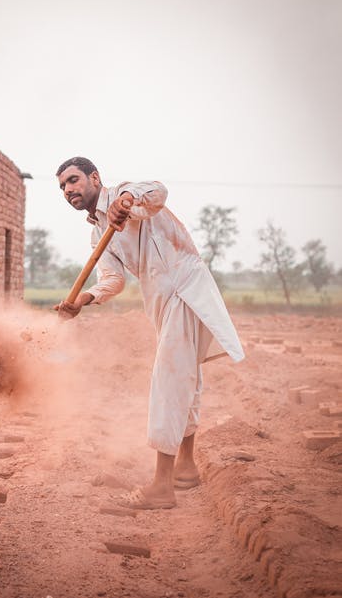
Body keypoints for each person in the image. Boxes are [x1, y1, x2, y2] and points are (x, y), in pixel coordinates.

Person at [54, 156, 244, 510]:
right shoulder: (98, 232)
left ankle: (161, 487)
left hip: (184, 289)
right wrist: (82, 299)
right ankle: (184, 469)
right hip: (161, 300)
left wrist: (125, 203)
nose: (68, 190)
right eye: (63, 186)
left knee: (169, 380)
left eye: (74, 180)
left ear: (95, 178)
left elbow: (157, 192)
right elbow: (112, 280)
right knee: (187, 378)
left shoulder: (126, 196)